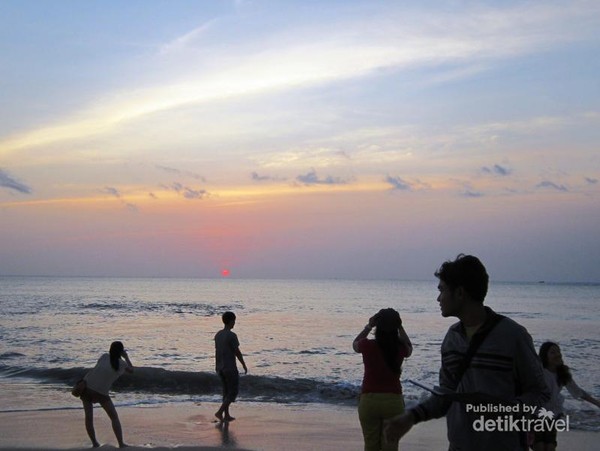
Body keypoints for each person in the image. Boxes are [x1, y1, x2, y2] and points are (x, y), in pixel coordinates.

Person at [385, 254, 550, 451]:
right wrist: (410, 417)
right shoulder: (452, 338)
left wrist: (505, 410)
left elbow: (540, 392)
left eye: (442, 290)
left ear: (460, 293)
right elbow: (445, 396)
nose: (438, 298)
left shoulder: (513, 335)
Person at [353, 308, 413, 451]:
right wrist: (400, 326)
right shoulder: (399, 348)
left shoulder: (367, 346)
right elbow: (410, 348)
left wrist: (368, 326)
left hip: (369, 401)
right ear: (396, 326)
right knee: (390, 446)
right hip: (393, 401)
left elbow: (355, 344)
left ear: (377, 326)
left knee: (370, 445)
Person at [533, 341, 600, 451]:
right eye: (552, 352)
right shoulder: (539, 372)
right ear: (545, 356)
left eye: (558, 351)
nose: (557, 354)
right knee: (539, 446)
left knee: (549, 446)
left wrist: (597, 403)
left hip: (553, 413)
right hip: (536, 412)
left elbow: (578, 391)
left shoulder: (562, 373)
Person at [80, 341, 134, 448]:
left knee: (89, 418)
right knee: (114, 417)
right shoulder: (121, 364)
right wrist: (126, 357)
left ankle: (95, 443)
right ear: (121, 351)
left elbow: (100, 368)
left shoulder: (104, 357)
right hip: (101, 392)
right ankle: (121, 443)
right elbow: (131, 370)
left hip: (86, 387)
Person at [214, 311, 248, 422]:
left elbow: (217, 352)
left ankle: (226, 415)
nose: (234, 323)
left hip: (220, 367)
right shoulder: (232, 335)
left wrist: (217, 366)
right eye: (234, 321)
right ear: (230, 321)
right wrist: (243, 364)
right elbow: (237, 352)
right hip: (230, 367)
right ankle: (220, 412)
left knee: (226, 391)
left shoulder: (218, 335)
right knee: (233, 392)